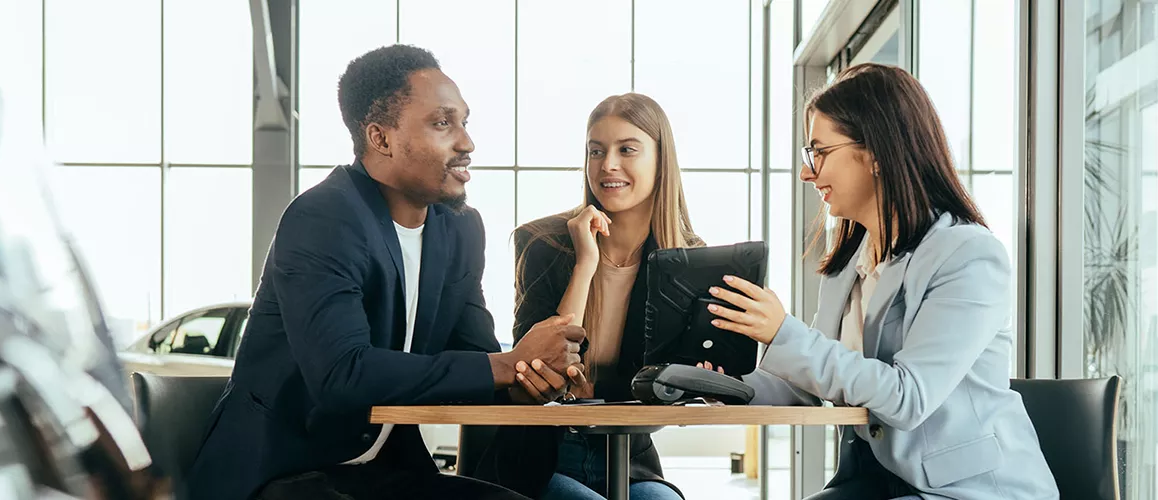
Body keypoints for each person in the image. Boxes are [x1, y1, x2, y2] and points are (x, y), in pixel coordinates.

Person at [186, 44, 584, 500]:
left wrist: (527, 377)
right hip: (280, 474)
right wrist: (504, 365)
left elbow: (473, 359)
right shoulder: (323, 218)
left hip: (383, 471)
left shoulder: (459, 229)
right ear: (381, 138)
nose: (466, 143)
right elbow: (343, 375)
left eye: (464, 122)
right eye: (442, 123)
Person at [703, 63, 1060, 499]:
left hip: (967, 490)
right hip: (875, 483)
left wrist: (784, 332)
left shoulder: (969, 256)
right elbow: (803, 387)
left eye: (819, 152)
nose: (807, 173)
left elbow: (908, 397)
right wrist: (722, 386)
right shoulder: (848, 267)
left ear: (874, 152)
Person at [474, 94, 699, 500]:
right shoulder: (542, 243)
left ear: (661, 160)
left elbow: (677, 384)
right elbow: (536, 375)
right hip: (540, 457)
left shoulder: (688, 260)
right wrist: (585, 265)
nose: (607, 164)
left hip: (630, 456)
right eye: (596, 151)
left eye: (626, 149)